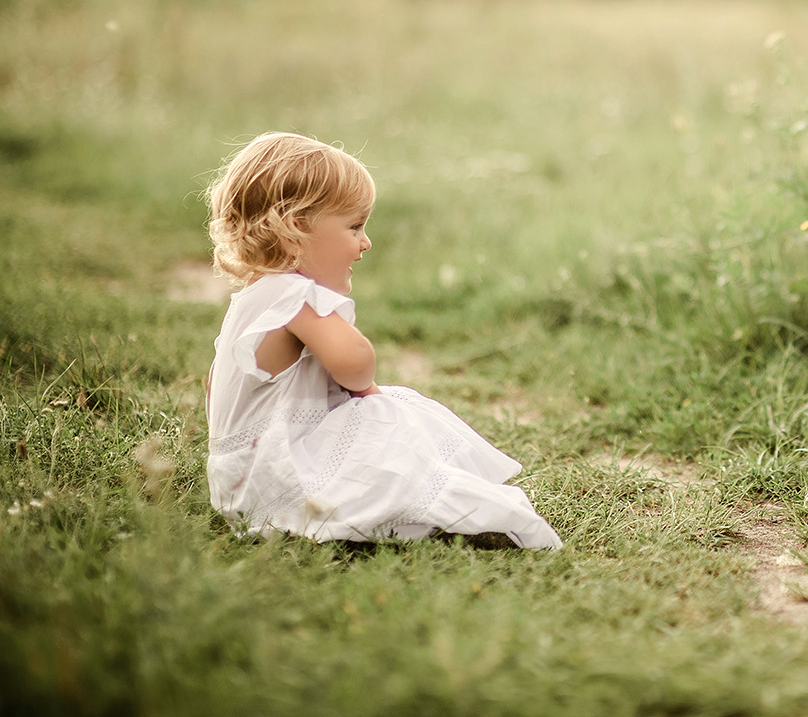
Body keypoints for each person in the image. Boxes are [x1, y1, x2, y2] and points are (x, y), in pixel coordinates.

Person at [203, 132, 562, 548]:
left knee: (374, 417)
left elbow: (216, 388)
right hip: (282, 482)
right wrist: (365, 388)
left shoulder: (251, 298)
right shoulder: (295, 295)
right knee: (389, 413)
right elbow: (355, 365)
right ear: (296, 227)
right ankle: (447, 508)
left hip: (238, 484)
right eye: (354, 227)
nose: (365, 242)